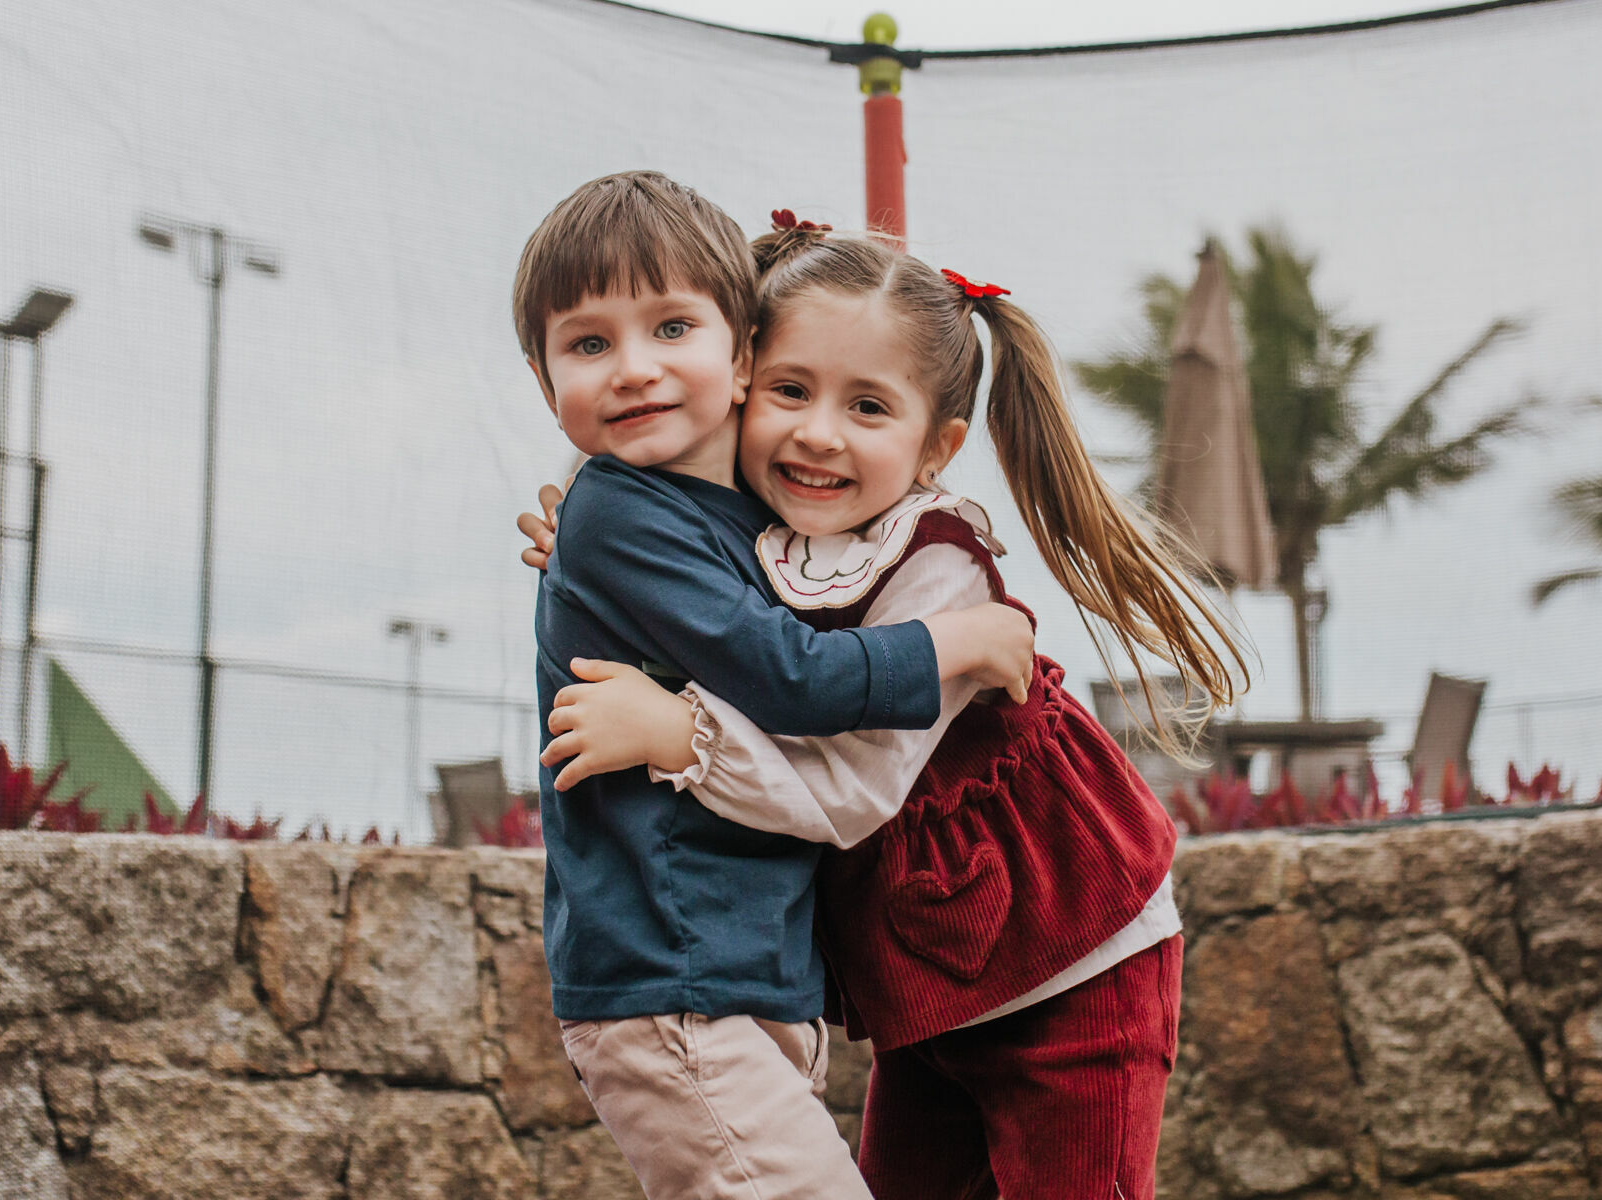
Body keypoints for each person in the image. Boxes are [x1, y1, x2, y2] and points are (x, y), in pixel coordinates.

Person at [529, 219, 1250, 1200]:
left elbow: (852, 787)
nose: (818, 432)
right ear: (741, 382)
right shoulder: (766, 534)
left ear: (936, 446)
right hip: (936, 968)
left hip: (1071, 959)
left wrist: (680, 736)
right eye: (790, 390)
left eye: (868, 406)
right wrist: (590, 528)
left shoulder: (942, 574)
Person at [512, 173, 1036, 1200]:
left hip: (744, 976)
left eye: (671, 328)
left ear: (740, 357)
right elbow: (791, 680)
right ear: (545, 383)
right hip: (672, 980)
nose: (634, 370)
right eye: (588, 345)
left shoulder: (734, 520)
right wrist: (954, 644)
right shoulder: (623, 516)